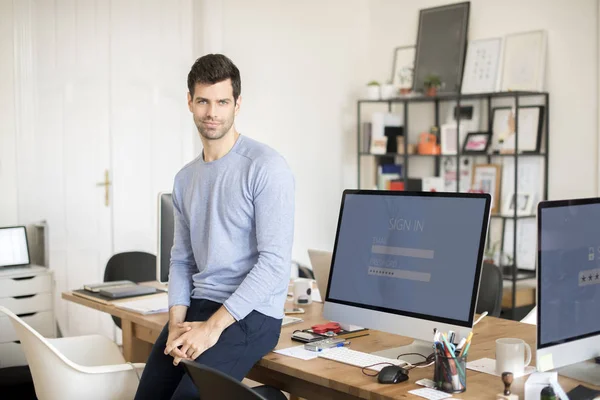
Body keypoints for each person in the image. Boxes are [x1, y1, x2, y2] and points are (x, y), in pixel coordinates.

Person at [134, 54, 295, 400]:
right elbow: (181, 260)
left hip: (251, 314)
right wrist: (177, 322)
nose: (212, 112)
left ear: (237, 104)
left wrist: (211, 329)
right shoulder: (185, 179)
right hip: (198, 306)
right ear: (190, 102)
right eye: (204, 101)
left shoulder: (266, 167)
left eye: (222, 102)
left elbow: (274, 263)